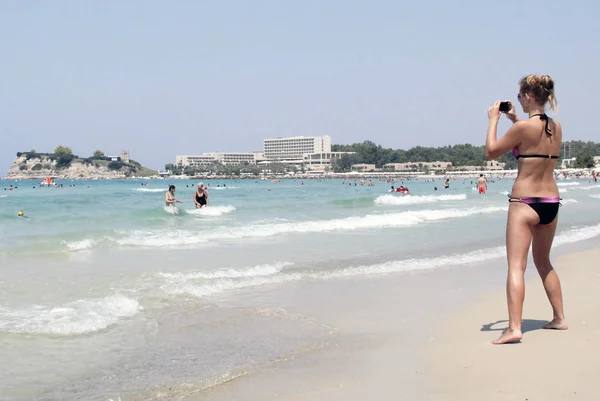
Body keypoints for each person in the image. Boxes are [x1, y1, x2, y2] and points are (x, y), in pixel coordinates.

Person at [485, 74, 567, 345]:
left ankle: (514, 328)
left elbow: (491, 151)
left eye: (520, 96)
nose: (518, 100)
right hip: (550, 202)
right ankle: (559, 317)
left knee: (516, 266)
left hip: (525, 201)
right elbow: (534, 136)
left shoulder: (523, 129)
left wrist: (494, 120)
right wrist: (514, 120)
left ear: (529, 96)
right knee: (544, 262)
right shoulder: (556, 127)